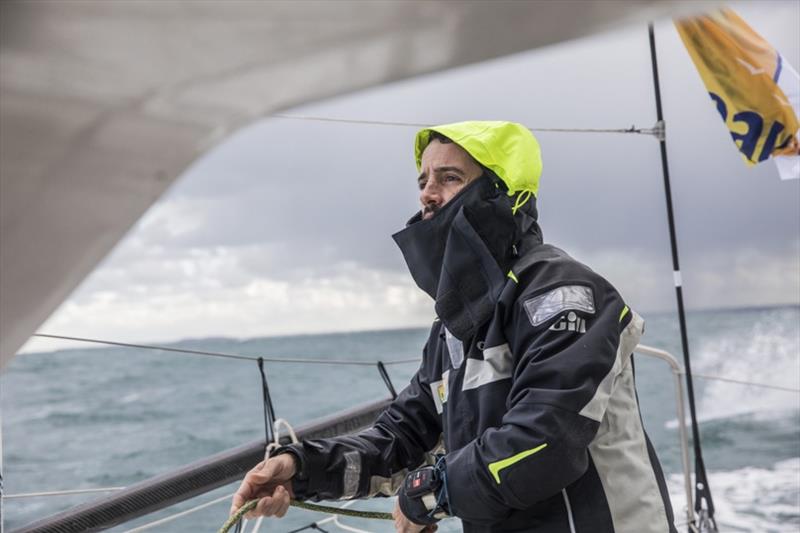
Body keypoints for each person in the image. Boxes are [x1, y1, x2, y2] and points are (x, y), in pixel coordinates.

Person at [231, 121, 677, 533]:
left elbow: (548, 439)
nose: (427, 194)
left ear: (502, 194)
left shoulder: (565, 295)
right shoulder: (455, 328)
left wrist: (431, 492)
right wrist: (300, 469)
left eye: (449, 178)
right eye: (423, 181)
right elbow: (402, 438)